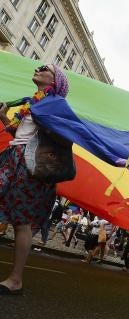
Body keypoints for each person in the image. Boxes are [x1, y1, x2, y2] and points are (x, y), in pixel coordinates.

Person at [0, 64, 69, 295]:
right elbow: (18, 133)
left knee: (22, 221)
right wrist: (2, 114)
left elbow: (63, 135)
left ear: (54, 82)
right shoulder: (33, 102)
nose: (37, 68)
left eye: (45, 68)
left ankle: (16, 279)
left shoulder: (55, 104)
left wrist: (44, 117)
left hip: (29, 167)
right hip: (12, 157)